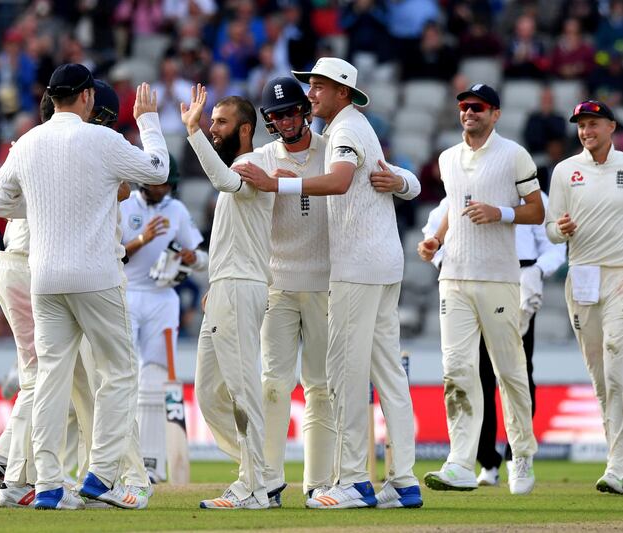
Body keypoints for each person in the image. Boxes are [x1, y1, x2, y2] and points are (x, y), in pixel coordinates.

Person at [237, 57, 422, 510]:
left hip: (356, 267)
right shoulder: (357, 127)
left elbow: (339, 183)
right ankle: (403, 482)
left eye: (318, 87)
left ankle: (356, 482)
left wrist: (278, 186)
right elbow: (399, 179)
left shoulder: (342, 131)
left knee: (345, 375)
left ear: (342, 91)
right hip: (382, 264)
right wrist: (400, 180)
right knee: (389, 376)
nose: (311, 94)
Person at [0, 63, 169, 510]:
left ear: (52, 97)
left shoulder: (27, 141)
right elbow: (158, 169)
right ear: (87, 97)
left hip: (45, 278)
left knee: (50, 378)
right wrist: (147, 120)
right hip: (95, 276)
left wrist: (47, 207)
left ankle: (48, 484)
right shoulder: (102, 140)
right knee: (120, 372)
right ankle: (100, 477)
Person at [417, 83, 542, 495]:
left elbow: (536, 210)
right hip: (453, 277)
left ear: (495, 114)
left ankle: (520, 454)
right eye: (464, 107)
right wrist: (436, 238)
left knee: (509, 372)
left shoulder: (514, 155)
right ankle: (459, 462)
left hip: (499, 278)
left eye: (478, 107)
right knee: (456, 372)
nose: (469, 113)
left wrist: (500, 213)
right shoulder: (448, 157)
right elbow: (454, 206)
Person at [545, 99, 623, 495]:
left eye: (593, 123)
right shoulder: (565, 171)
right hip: (582, 278)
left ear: (612, 127)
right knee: (603, 380)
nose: (586, 131)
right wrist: (560, 229)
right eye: (581, 125)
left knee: (619, 366)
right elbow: (551, 229)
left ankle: (617, 466)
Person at [421, 193, 566, 486]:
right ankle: (486, 462)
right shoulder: (461, 189)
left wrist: (537, 271)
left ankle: (518, 455)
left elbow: (554, 243)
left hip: (519, 280)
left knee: (517, 372)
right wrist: (440, 261)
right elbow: (432, 233)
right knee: (479, 374)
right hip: (471, 281)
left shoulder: (529, 194)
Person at [180, 86, 274, 510]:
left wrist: (192, 131)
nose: (214, 128)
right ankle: (263, 472)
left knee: (241, 390)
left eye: (220, 122)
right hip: (226, 286)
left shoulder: (252, 165)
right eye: (211, 121)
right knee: (208, 392)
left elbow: (219, 177)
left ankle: (255, 486)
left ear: (245, 128)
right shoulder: (242, 165)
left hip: (241, 287)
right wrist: (215, 282)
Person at [119, 172, 206, 484]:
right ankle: (119, 462)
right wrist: (143, 238)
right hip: (126, 293)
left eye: (166, 184)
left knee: (156, 378)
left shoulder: (177, 211)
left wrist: (191, 257)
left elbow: (202, 258)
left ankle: (152, 463)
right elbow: (112, 253)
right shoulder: (125, 205)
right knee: (124, 375)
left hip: (162, 298)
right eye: (156, 182)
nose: (161, 188)